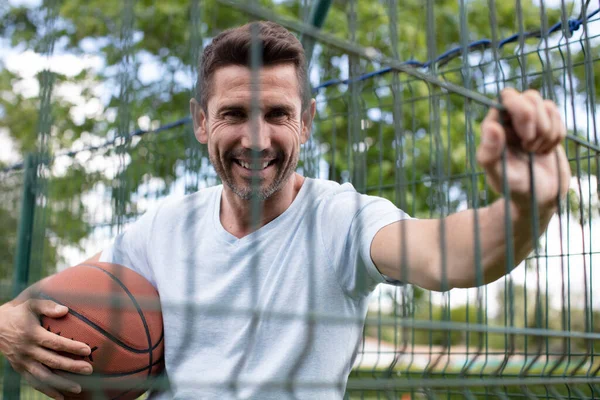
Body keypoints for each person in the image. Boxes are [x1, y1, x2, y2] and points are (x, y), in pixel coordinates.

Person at [0, 21, 570, 400]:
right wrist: (8, 322)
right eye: (232, 114)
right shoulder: (163, 227)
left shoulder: (344, 219)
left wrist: (523, 209)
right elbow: (44, 302)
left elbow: (448, 257)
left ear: (306, 120)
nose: (255, 137)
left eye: (276, 113)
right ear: (201, 121)